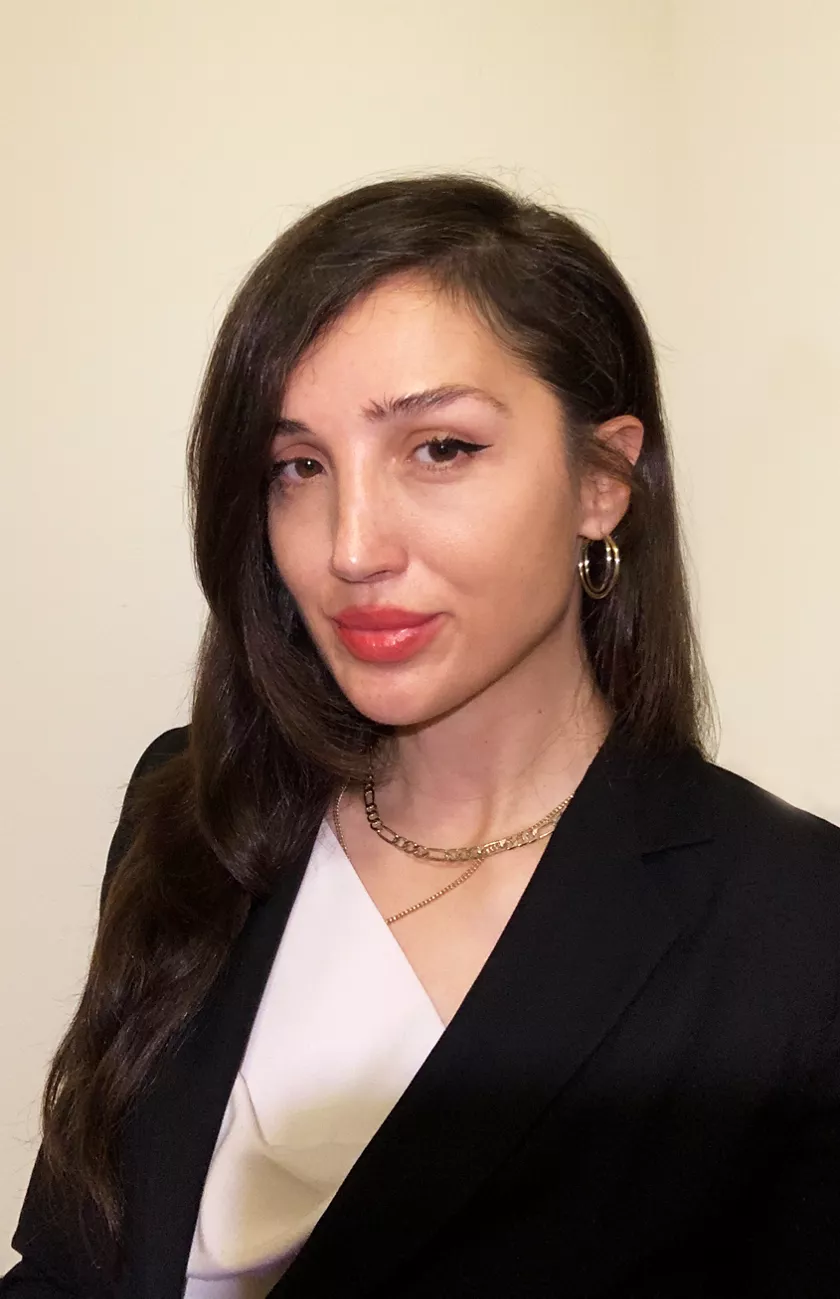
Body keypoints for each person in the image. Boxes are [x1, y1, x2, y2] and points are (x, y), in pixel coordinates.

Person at [3, 174, 839, 1299]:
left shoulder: (792, 924)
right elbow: (69, 1261)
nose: (350, 547)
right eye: (299, 467)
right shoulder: (195, 805)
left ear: (602, 480)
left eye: (439, 448)